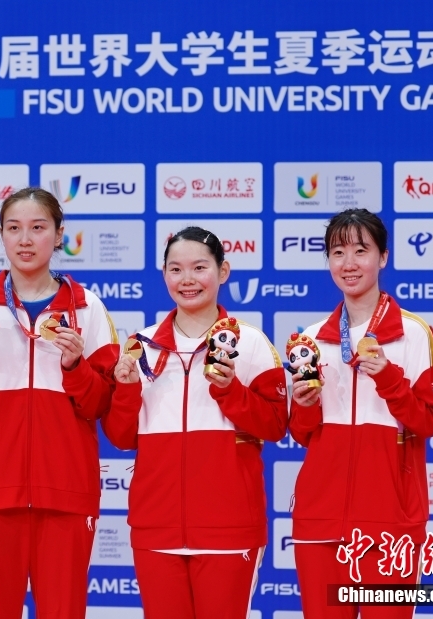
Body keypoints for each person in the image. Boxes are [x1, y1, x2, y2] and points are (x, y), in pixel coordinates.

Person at [0, 187, 117, 619]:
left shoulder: (87, 309)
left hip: (65, 493)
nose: (25, 239)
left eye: (38, 228)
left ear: (59, 235)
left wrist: (75, 364)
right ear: (0, 235)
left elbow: (99, 406)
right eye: (14, 228)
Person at [105, 226, 288, 619]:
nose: (187, 280)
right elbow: (120, 436)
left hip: (229, 530)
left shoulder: (251, 343)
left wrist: (230, 390)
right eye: (175, 269)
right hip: (156, 530)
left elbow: (275, 425)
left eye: (199, 267)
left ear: (223, 272)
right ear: (164, 275)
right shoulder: (141, 345)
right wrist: (124, 389)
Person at [289, 208, 433, 619]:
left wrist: (389, 379)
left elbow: (425, 422)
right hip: (320, 521)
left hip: (391, 523)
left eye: (361, 250)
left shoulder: (413, 334)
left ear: (384, 257)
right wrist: (303, 407)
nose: (349, 263)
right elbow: (304, 434)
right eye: (338, 252)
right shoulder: (310, 338)